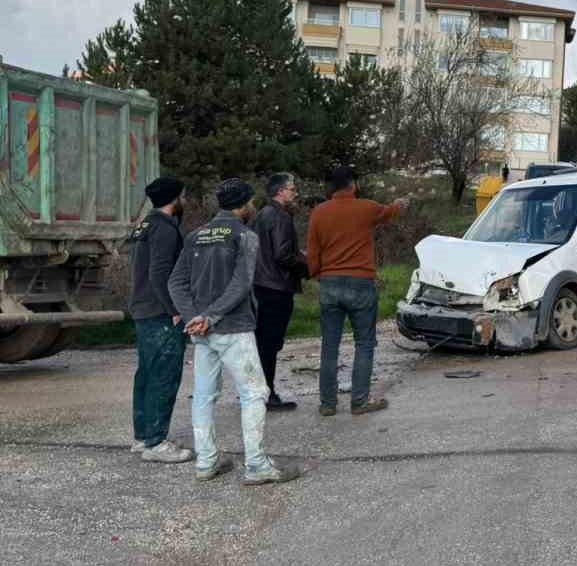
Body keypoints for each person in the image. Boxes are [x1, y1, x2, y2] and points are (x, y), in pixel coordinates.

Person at [168, 177, 298, 487]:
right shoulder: (244, 235)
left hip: (202, 331)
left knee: (203, 396)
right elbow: (241, 284)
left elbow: (176, 282)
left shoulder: (195, 235)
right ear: (243, 205)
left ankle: (206, 461)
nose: (253, 206)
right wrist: (209, 317)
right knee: (254, 393)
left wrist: (194, 317)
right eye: (250, 202)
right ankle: (256, 465)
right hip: (233, 328)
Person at [305, 166, 406, 418]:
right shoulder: (366, 208)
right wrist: (399, 203)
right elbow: (389, 212)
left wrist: (319, 275)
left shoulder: (319, 212)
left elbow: (313, 253)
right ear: (353, 185)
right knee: (364, 343)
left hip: (329, 283)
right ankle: (359, 401)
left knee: (329, 346)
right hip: (361, 284)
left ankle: (328, 404)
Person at [128, 176, 192, 463]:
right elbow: (159, 273)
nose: (186, 201)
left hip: (143, 309)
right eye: (184, 196)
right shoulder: (165, 229)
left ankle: (143, 437)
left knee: (146, 373)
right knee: (164, 375)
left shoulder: (144, 225)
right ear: (174, 198)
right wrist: (175, 309)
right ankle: (156, 443)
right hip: (160, 312)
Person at [253, 172, 307, 411]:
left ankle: (259, 391)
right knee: (270, 343)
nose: (295, 193)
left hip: (261, 285)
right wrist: (306, 265)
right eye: (292, 189)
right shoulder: (280, 216)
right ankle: (268, 394)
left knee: (263, 342)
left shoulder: (261, 214)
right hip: (277, 287)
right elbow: (282, 255)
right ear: (280, 191)